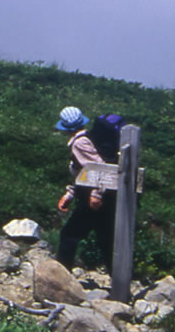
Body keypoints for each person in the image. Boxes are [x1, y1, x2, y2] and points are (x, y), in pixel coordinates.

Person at [53, 105, 116, 270]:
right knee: (105, 239)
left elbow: (98, 168)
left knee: (69, 234)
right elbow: (84, 173)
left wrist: (97, 194)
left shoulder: (79, 143)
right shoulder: (89, 138)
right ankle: (120, 283)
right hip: (101, 197)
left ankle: (60, 277)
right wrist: (69, 194)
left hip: (92, 199)